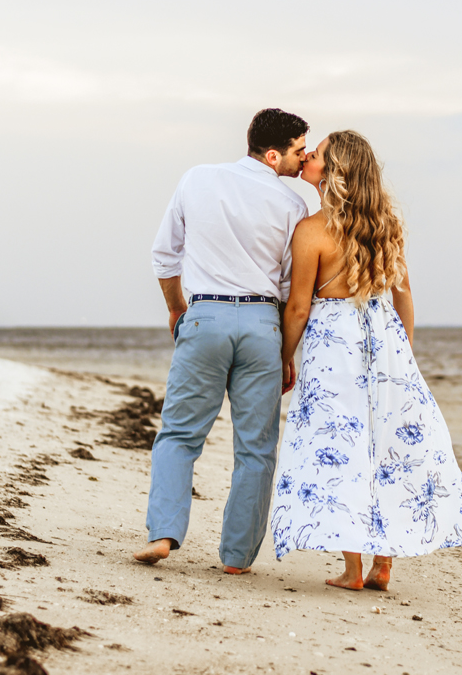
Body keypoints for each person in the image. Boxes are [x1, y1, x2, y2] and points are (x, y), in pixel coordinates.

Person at [270, 130, 462, 591]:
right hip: (385, 337)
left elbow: (299, 307)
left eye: (318, 154)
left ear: (334, 171)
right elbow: (404, 296)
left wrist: (285, 356)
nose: (307, 157)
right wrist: (403, 352)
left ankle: (353, 569)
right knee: (384, 443)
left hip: (335, 343)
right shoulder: (386, 224)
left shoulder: (311, 230)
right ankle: (383, 562)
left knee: (343, 441)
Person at [134, 108, 309, 574]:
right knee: (256, 448)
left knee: (179, 435)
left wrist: (176, 307)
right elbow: (294, 291)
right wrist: (287, 352)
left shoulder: (197, 179)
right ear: (273, 155)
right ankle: (236, 557)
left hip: (204, 315)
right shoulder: (294, 207)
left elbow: (164, 255)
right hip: (262, 324)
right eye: (297, 151)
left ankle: (164, 535)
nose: (302, 160)